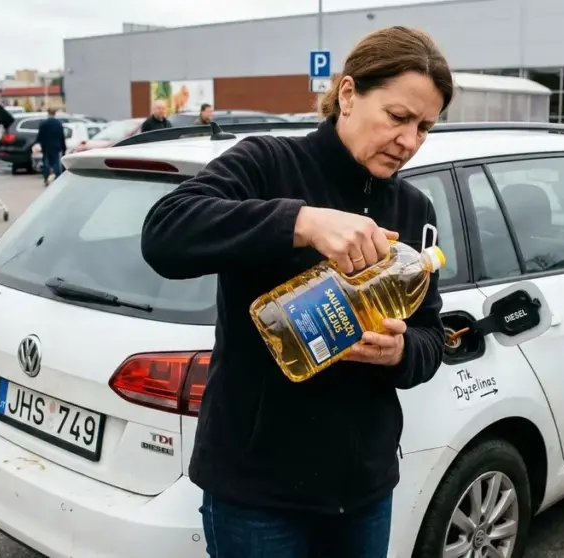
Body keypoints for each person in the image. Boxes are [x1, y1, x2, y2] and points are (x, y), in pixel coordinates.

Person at [140, 25, 451, 558]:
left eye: (425, 127)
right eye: (399, 118)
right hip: (258, 493)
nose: (410, 141)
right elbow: (164, 233)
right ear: (348, 94)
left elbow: (431, 335)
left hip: (363, 488)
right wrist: (301, 222)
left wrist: (401, 352)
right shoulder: (268, 164)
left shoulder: (415, 210)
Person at [35, 108, 66, 186]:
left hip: (46, 146)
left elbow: (40, 136)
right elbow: (62, 136)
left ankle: (46, 178)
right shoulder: (58, 123)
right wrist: (63, 147)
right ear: (55, 113)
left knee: (46, 163)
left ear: (48, 113)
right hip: (56, 146)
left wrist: (38, 143)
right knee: (56, 162)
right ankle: (57, 177)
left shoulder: (43, 123)